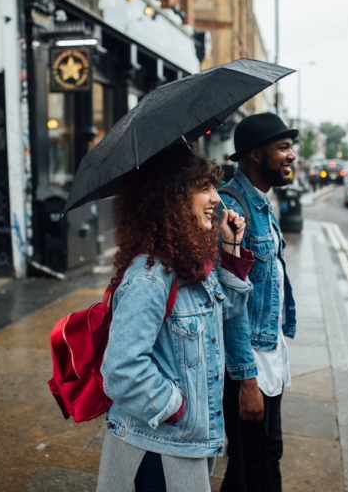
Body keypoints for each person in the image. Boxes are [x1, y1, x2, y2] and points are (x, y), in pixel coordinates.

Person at [96, 141, 254, 492]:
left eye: (213, 186)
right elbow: (121, 369)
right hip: (157, 448)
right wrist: (175, 406)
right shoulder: (149, 278)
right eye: (204, 188)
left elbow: (225, 312)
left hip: (182, 443)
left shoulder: (187, 263)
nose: (216, 198)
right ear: (173, 198)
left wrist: (231, 247)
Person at [219, 113, 299, 492]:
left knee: (266, 455)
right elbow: (229, 302)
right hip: (248, 364)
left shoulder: (262, 204)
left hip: (269, 355)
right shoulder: (230, 209)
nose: (291, 155)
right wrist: (246, 379)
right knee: (253, 467)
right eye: (282, 147)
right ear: (255, 154)